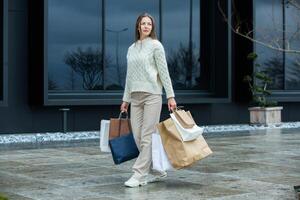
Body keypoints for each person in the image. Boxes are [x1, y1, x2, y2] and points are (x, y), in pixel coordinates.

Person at [120, 13, 177, 187]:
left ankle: (138, 175)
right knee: (138, 136)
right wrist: (126, 100)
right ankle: (158, 170)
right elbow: (129, 77)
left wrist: (170, 96)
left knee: (146, 136)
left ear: (152, 28)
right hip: (135, 97)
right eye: (143, 23)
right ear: (138, 26)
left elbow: (164, 72)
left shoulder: (156, 46)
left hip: (152, 95)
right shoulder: (131, 48)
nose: (146, 26)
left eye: (149, 24)